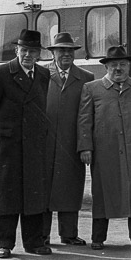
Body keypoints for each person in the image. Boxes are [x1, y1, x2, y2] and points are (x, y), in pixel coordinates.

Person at [77, 45, 131, 250]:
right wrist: (85, 148)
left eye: (122, 64)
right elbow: (84, 120)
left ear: (129, 66)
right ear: (106, 67)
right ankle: (98, 237)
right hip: (105, 151)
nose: (118, 69)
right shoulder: (92, 88)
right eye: (113, 65)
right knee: (104, 192)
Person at [0, 29, 51, 258]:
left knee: (34, 195)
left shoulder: (43, 75)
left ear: (38, 54)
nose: (27, 55)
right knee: (8, 196)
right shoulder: (0, 74)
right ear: (16, 50)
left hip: (34, 146)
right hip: (8, 146)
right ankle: (4, 243)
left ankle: (34, 242)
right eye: (24, 50)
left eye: (32, 51)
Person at [43, 32, 94, 246]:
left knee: (71, 189)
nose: (65, 54)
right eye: (61, 50)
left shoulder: (86, 78)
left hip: (72, 143)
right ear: (53, 53)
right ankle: (41, 235)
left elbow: (87, 115)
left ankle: (69, 233)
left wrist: (84, 146)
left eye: (69, 50)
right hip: (45, 143)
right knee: (43, 191)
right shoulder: (41, 74)